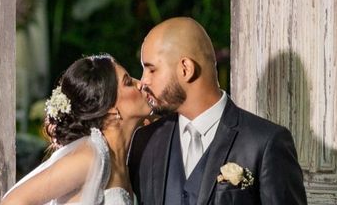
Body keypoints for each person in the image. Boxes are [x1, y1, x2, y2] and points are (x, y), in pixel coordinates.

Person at [128, 17, 307, 205]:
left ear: (186, 69)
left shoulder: (265, 142)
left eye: (151, 70)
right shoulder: (145, 141)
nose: (143, 81)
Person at [2, 54, 150, 205]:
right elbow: (13, 201)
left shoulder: (125, 159)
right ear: (110, 107)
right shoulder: (90, 157)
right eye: (128, 82)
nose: (140, 84)